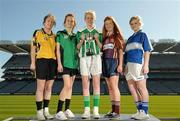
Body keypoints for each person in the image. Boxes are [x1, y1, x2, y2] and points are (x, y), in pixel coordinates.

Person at [124, 16, 153, 120]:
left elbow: (147, 51)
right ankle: (139, 110)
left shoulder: (143, 35)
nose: (133, 25)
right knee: (132, 89)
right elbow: (126, 54)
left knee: (141, 88)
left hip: (138, 65)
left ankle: (145, 113)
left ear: (140, 23)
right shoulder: (129, 39)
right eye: (131, 24)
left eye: (135, 23)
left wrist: (146, 65)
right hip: (129, 66)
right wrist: (125, 66)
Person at [30, 14, 56, 120]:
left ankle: (46, 111)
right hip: (41, 61)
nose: (50, 23)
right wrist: (32, 62)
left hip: (52, 62)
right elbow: (33, 48)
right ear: (44, 22)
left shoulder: (55, 36)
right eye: (48, 21)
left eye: (52, 21)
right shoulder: (37, 32)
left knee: (49, 87)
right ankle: (39, 112)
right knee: (40, 88)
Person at [76, 10, 102, 119]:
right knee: (85, 85)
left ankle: (95, 110)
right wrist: (82, 40)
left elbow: (101, 47)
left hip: (96, 58)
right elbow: (77, 47)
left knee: (96, 85)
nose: (90, 20)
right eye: (87, 18)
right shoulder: (80, 31)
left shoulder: (99, 31)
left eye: (91, 18)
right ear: (84, 19)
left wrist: (96, 39)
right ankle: (86, 110)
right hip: (84, 58)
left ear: (94, 19)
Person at [55, 13, 78, 120]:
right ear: (65, 22)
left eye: (72, 21)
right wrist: (59, 63)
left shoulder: (75, 36)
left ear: (74, 23)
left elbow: (78, 49)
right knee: (67, 86)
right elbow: (57, 50)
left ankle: (67, 109)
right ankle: (59, 111)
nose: (70, 22)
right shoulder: (60, 33)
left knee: (70, 87)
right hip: (64, 64)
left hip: (74, 64)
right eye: (68, 20)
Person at [102, 16, 125, 119]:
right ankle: (112, 110)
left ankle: (117, 111)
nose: (108, 25)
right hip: (105, 63)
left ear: (114, 24)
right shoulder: (105, 37)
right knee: (110, 88)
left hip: (114, 62)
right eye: (106, 24)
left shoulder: (117, 36)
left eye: (110, 23)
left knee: (114, 86)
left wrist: (120, 64)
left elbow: (120, 51)